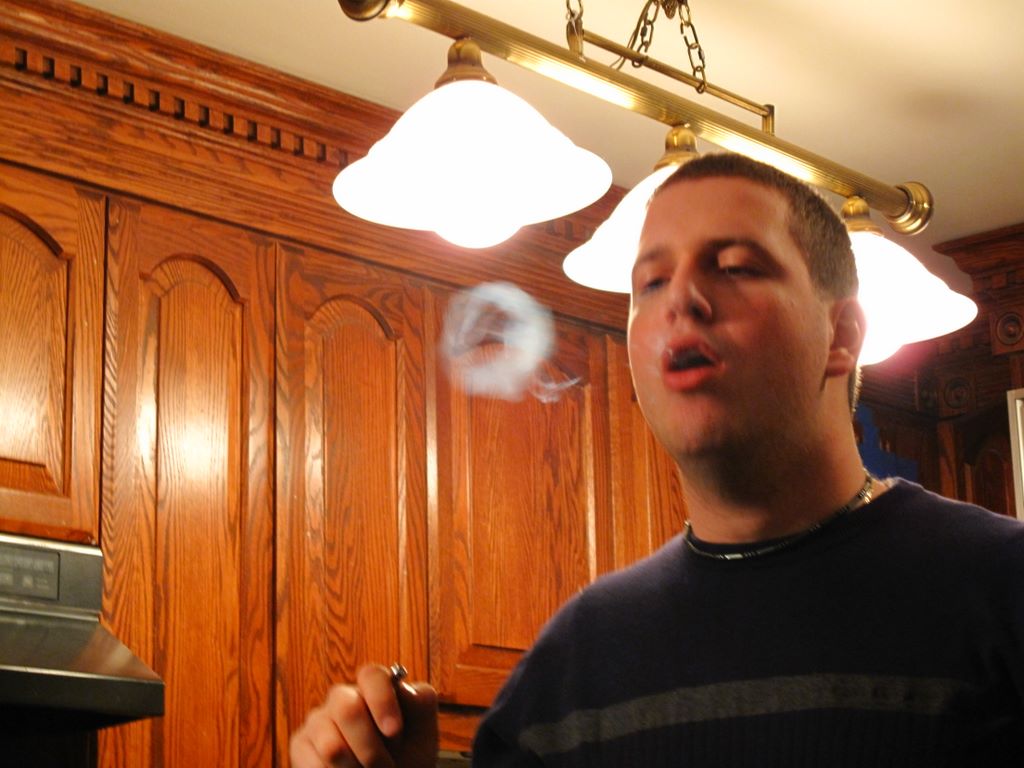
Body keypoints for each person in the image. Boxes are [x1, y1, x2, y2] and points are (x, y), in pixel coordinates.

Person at [289, 153, 1024, 767]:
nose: (684, 299)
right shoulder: (576, 660)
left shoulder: (1001, 588)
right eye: (650, 282)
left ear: (842, 336)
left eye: (734, 267)